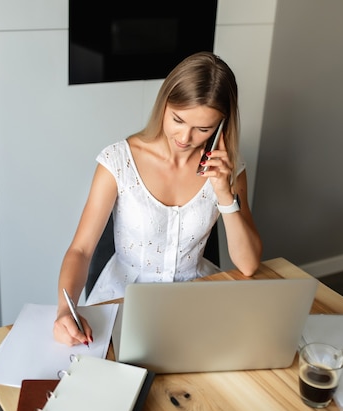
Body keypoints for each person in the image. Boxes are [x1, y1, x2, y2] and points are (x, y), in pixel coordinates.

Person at [54, 51, 262, 346]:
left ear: (221, 128)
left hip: (194, 304)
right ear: (164, 103)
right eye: (178, 119)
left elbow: (249, 265)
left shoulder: (229, 170)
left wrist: (224, 194)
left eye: (203, 129)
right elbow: (81, 251)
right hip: (123, 302)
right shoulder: (117, 162)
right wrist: (65, 310)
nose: (185, 138)